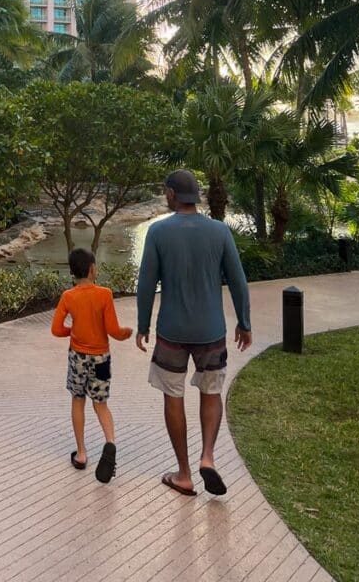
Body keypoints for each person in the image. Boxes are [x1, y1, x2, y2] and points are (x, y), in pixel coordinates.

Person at [136, 169, 252, 497]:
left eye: (165, 191)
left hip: (171, 331)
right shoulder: (219, 232)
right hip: (211, 330)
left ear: (172, 194)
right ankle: (208, 457)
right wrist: (244, 322)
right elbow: (238, 281)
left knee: (173, 395)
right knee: (211, 391)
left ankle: (184, 474)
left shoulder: (158, 232)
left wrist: (143, 325)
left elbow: (146, 284)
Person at [51, 248, 133, 483]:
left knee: (78, 400)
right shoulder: (104, 294)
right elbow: (113, 330)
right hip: (101, 359)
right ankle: (110, 443)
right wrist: (125, 333)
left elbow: (56, 329)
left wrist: (73, 332)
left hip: (78, 357)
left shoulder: (68, 296)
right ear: (92, 269)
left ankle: (82, 454)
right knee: (101, 404)